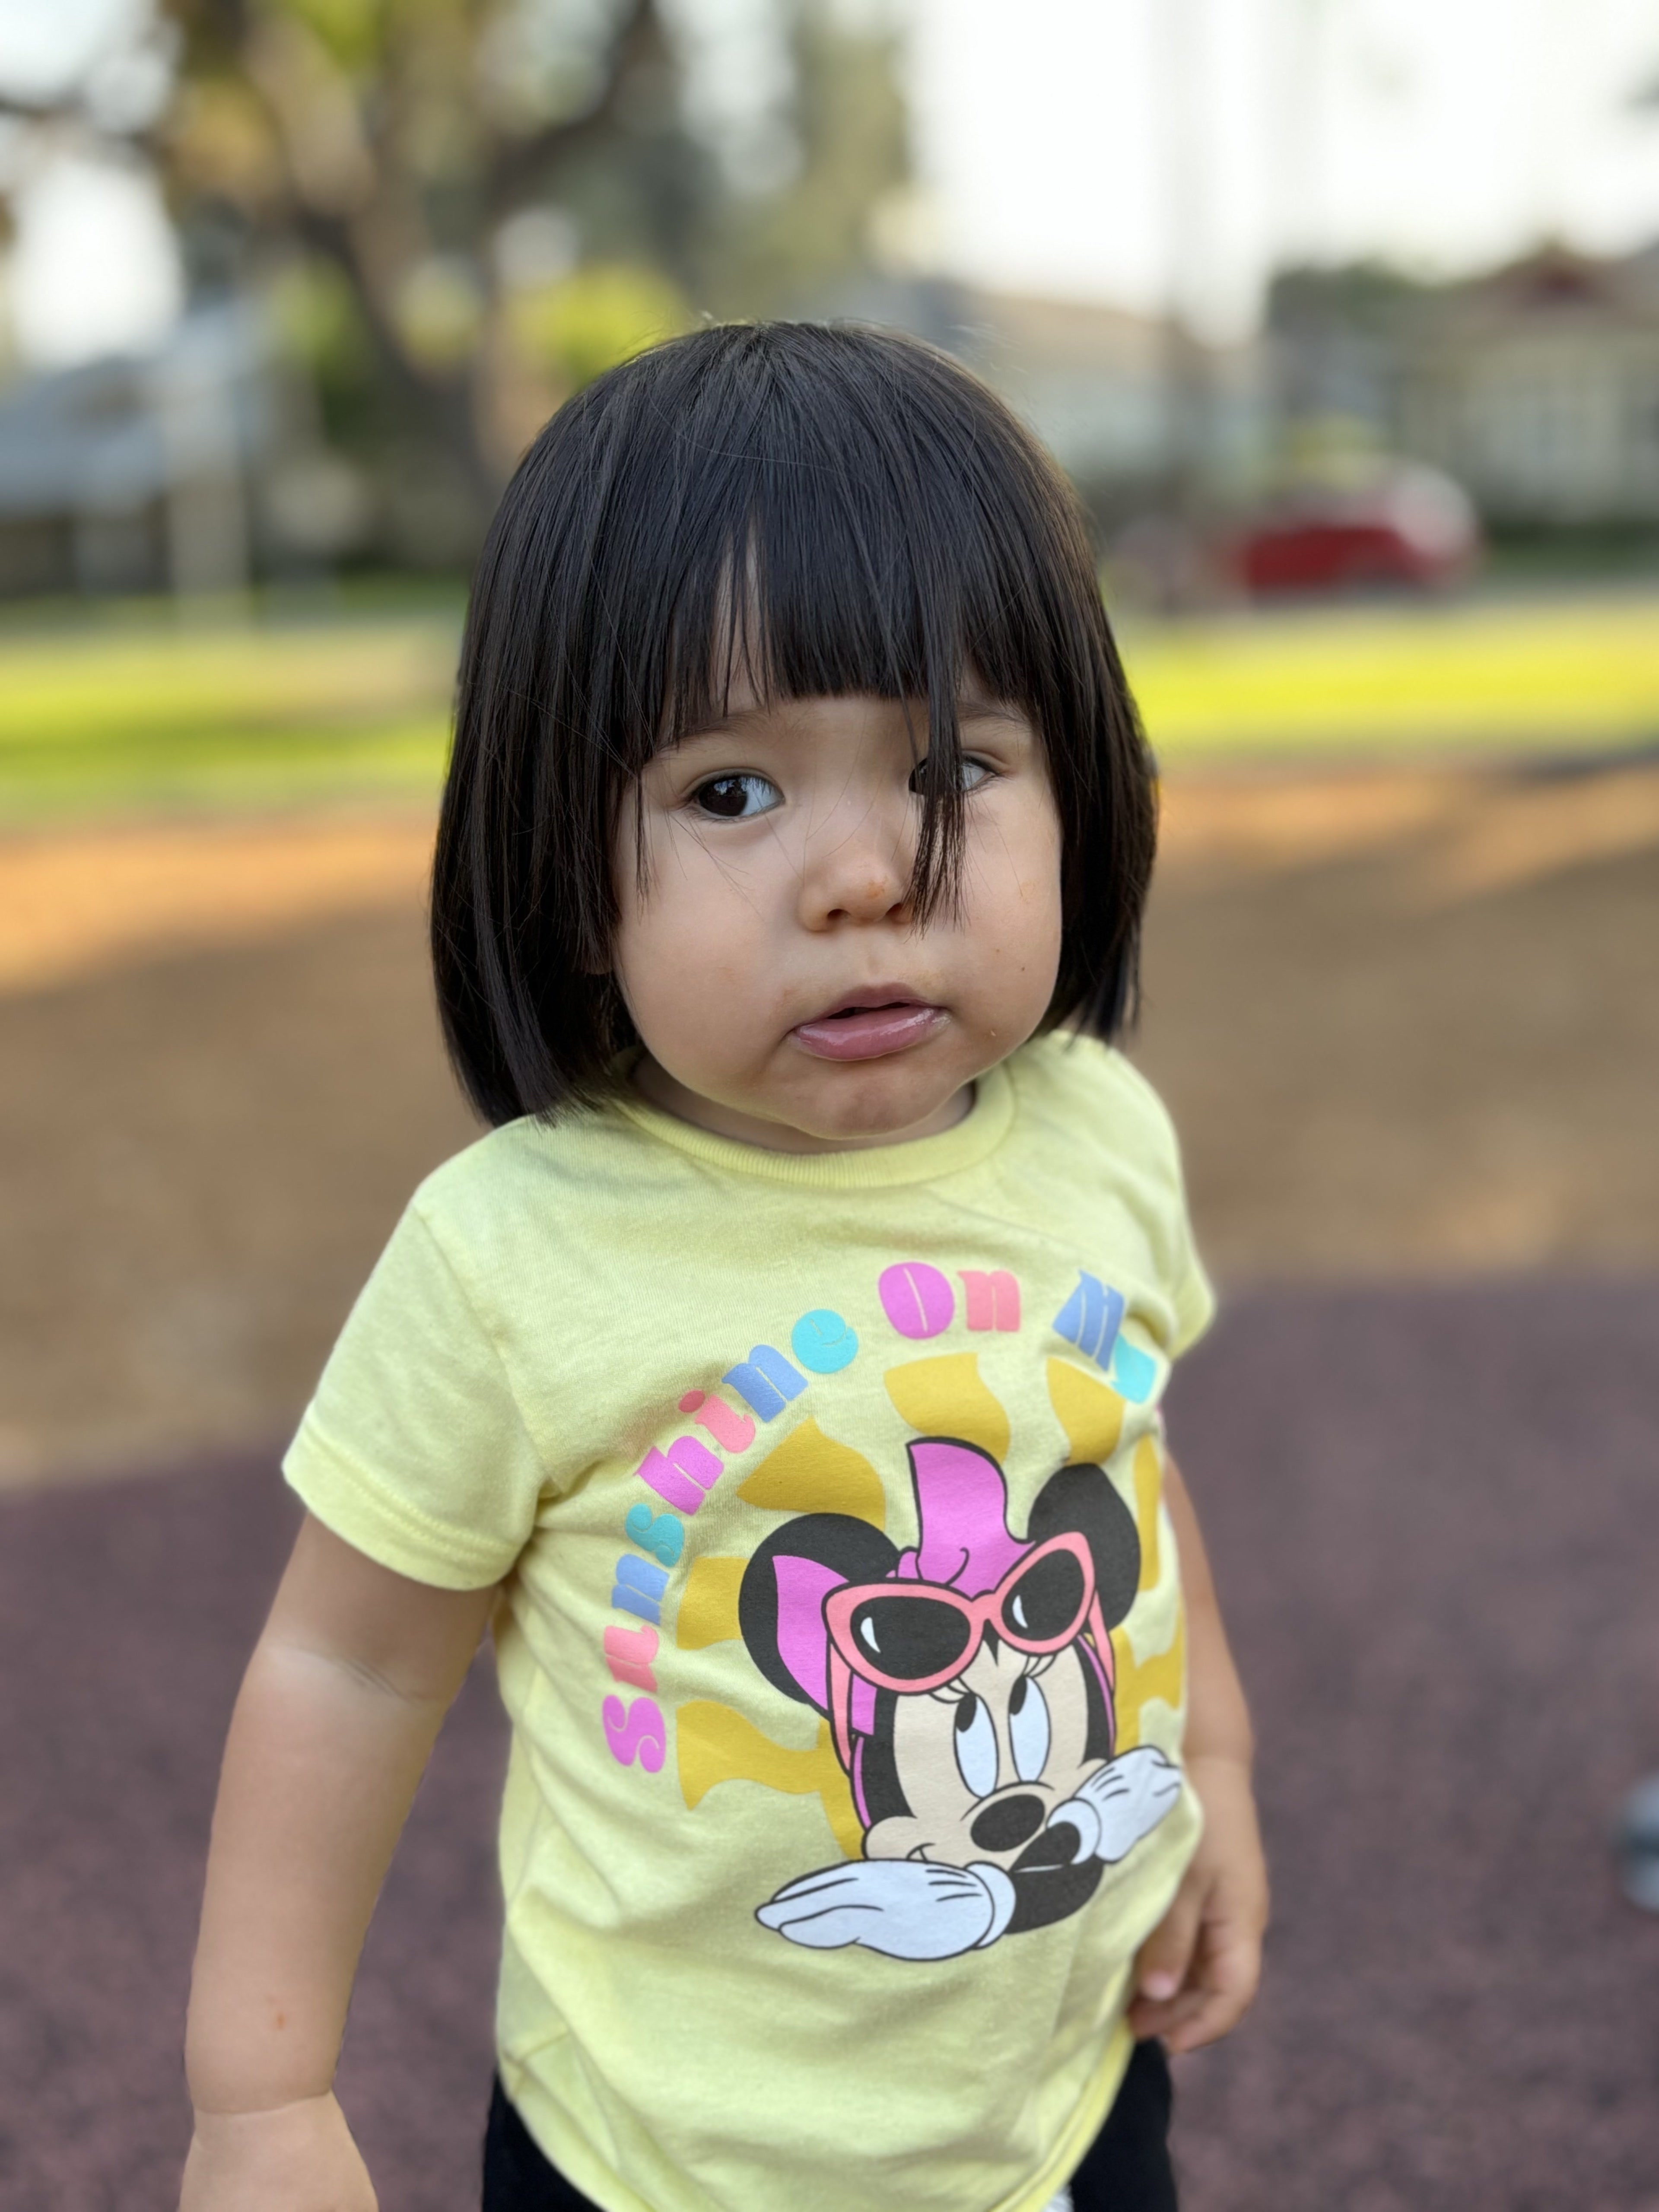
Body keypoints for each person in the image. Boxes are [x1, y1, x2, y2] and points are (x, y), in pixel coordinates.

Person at [178, 321, 1268, 2212]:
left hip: (1064, 2110)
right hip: (663, 2156)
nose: (862, 875)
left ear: (1083, 782)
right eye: (732, 794)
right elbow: (344, 1670)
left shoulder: (1100, 1132)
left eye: (951, 762)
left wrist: (1220, 1770)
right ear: (561, 872)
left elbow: (1129, 1472)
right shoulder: (515, 1253)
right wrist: (260, 2103)